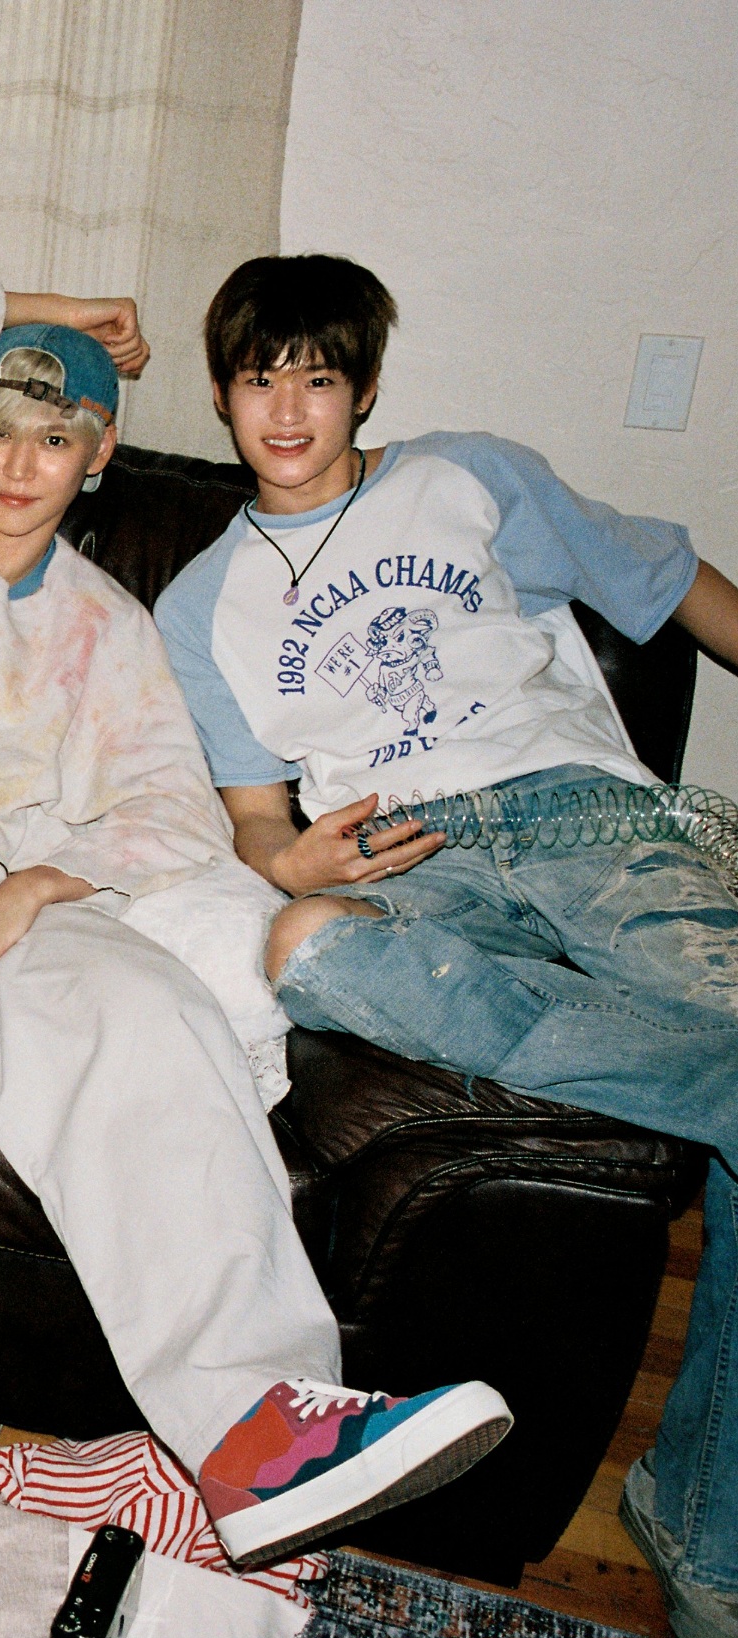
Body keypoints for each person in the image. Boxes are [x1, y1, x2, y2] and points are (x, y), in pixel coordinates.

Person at [0, 268, 509, 1570]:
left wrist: (36, 884)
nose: (20, 464)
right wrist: (46, 309)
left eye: (56, 438)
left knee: (148, 1004)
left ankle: (266, 1434)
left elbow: (173, 811)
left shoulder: (111, 630)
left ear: (99, 453)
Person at [154, 253, 738, 1631]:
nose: (285, 409)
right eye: (257, 379)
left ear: (364, 387)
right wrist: (288, 859)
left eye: (316, 377)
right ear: (222, 394)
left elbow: (669, 579)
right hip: (407, 864)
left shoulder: (467, 476)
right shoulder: (198, 606)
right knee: (302, 945)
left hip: (589, 819)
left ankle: (700, 1523)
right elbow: (256, 822)